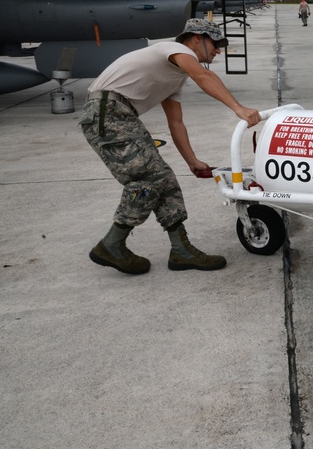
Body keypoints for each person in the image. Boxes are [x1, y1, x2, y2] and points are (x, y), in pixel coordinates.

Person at [80, 18, 262, 275]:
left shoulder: (174, 75)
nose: (219, 49)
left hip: (118, 114)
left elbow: (176, 122)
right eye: (216, 42)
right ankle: (113, 243)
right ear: (197, 38)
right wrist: (238, 108)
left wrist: (192, 160)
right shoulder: (176, 51)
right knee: (147, 180)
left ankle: (181, 250)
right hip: (108, 112)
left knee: (164, 179)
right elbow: (203, 75)